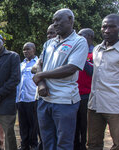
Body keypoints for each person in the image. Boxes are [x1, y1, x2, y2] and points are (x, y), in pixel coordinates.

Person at [32, 8, 88, 150]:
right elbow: (39, 64)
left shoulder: (79, 41)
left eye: (58, 20)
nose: (55, 24)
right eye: (53, 21)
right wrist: (42, 84)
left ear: (70, 19)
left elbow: (71, 68)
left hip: (64, 101)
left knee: (63, 143)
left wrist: (41, 76)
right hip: (44, 100)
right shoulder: (49, 43)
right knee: (47, 141)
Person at [87, 14, 119, 150]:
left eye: (112, 27)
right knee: (92, 144)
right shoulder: (97, 49)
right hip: (94, 105)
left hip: (116, 106)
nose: (107, 30)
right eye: (104, 26)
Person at [74, 28, 94, 150]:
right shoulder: (76, 51)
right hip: (74, 95)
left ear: (90, 37)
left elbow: (92, 71)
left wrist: (81, 56)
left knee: (85, 126)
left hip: (86, 95)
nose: (79, 38)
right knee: (74, 125)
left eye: (81, 36)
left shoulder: (94, 53)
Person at [16, 42, 38, 150]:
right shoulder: (21, 64)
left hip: (33, 98)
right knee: (23, 124)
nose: (26, 52)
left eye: (28, 49)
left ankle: (33, 145)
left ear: (34, 49)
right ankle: (24, 145)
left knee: (33, 124)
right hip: (21, 99)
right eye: (24, 50)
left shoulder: (38, 63)